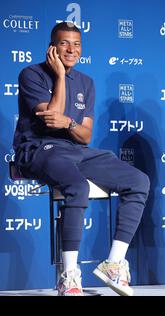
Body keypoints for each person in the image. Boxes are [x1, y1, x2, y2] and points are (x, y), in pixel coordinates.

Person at [13, 22, 150, 296]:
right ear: (52, 47)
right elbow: (51, 119)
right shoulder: (31, 74)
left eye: (76, 44)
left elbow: (85, 136)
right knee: (78, 187)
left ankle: (113, 264)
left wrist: (68, 123)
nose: (71, 49)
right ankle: (70, 276)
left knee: (138, 180)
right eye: (64, 43)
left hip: (74, 150)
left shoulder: (86, 82)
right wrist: (61, 77)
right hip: (38, 149)